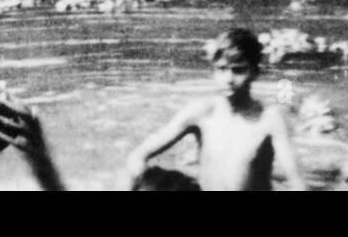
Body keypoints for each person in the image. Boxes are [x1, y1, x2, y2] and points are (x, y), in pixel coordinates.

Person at [124, 28, 305, 191]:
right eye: (221, 69)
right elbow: (137, 156)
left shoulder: (270, 118)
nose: (228, 78)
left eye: (238, 70)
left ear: (255, 72)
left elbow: (296, 181)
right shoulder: (201, 112)